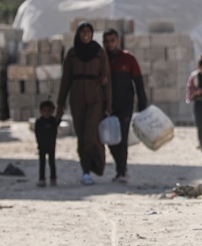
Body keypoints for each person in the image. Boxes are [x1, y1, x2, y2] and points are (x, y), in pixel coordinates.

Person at [56, 22, 112, 185]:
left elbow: (106, 78)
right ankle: (85, 170)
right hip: (77, 96)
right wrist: (60, 103)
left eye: (88, 32)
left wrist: (109, 102)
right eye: (83, 32)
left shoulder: (99, 52)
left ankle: (98, 163)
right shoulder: (72, 54)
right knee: (81, 133)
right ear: (78, 34)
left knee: (90, 131)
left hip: (95, 97)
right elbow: (65, 79)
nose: (85, 35)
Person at [103, 29, 147, 184]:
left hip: (125, 105)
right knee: (110, 139)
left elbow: (139, 83)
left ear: (118, 41)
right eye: (107, 41)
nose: (110, 44)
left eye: (112, 40)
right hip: (108, 106)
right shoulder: (102, 60)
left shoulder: (128, 59)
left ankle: (121, 171)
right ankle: (120, 168)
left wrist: (143, 106)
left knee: (121, 138)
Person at [35, 100, 59, 187]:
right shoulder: (39, 122)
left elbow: (59, 119)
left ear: (52, 111)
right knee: (42, 163)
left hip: (51, 145)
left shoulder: (53, 121)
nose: (46, 113)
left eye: (49, 111)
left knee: (51, 162)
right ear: (41, 111)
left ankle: (53, 178)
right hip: (42, 146)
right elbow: (37, 134)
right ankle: (42, 179)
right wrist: (38, 143)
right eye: (44, 111)